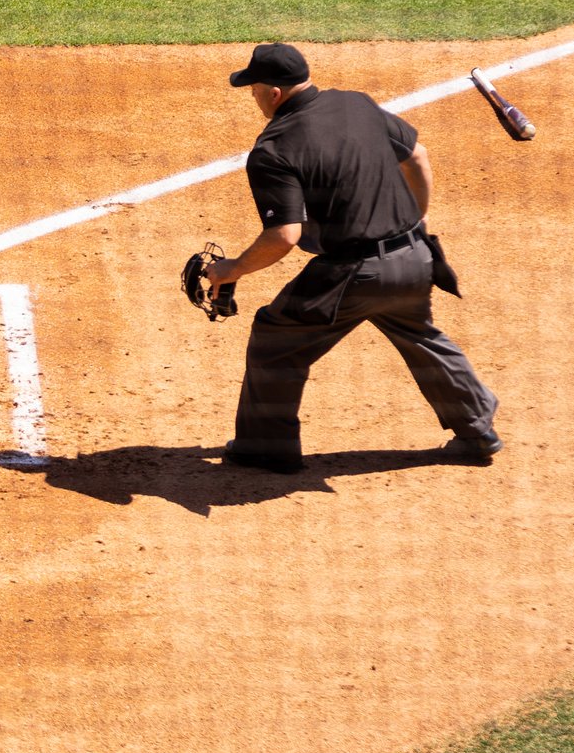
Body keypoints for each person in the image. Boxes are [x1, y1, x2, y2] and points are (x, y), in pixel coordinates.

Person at [202, 43, 503, 471]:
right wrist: (413, 221)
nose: (251, 95)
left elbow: (285, 235)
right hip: (417, 257)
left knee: (275, 340)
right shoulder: (356, 104)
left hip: (351, 274)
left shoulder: (274, 148)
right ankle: (478, 429)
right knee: (417, 332)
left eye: (252, 88)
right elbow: (417, 155)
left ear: (273, 93)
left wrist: (232, 268)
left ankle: (267, 446)